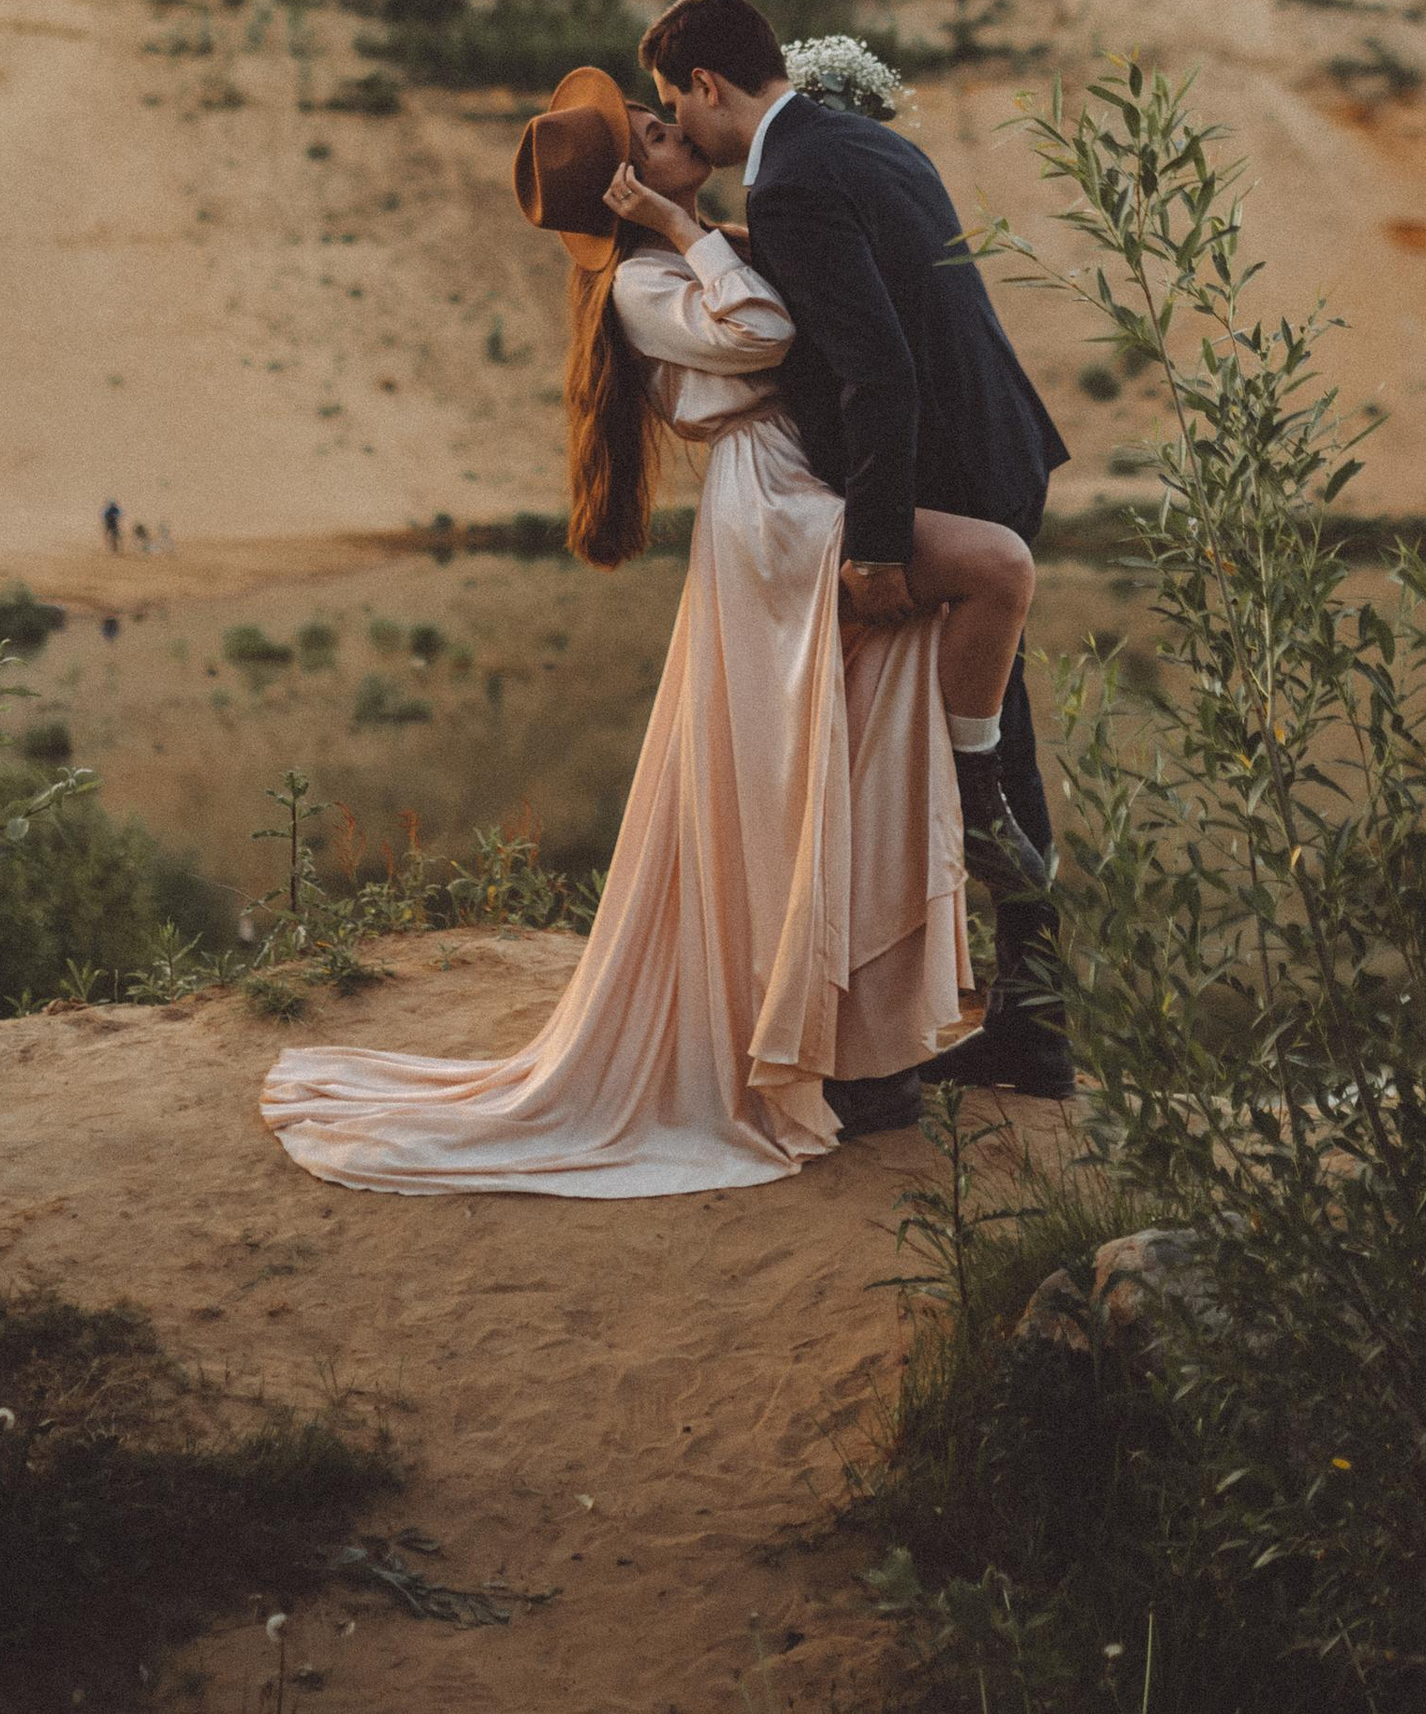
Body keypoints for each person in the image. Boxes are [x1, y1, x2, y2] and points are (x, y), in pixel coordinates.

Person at [260, 63, 1037, 1195]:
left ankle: (866, 1050)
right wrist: (681, 227)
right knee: (979, 585)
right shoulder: (642, 281)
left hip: (798, 496)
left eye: (663, 115)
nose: (674, 127)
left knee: (849, 769)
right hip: (778, 517)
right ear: (627, 185)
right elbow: (768, 332)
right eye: (651, 133)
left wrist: (708, 229)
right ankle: (971, 812)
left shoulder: (687, 250)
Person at [639, 0, 1073, 1115]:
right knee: (996, 746)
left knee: (924, 756)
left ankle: (901, 1036)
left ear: (705, 83)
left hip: (942, 479)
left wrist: (876, 546)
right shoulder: (865, 144)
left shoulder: (787, 181)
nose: (677, 127)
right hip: (1001, 451)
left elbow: (875, 368)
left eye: (674, 105)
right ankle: (1032, 1025)